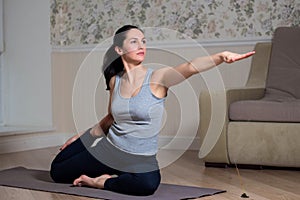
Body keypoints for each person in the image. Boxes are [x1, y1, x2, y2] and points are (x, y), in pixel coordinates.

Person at [50, 25, 255, 196]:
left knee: (147, 185)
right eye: (134, 41)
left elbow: (191, 66)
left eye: (144, 41)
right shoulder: (115, 81)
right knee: (57, 170)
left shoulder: (158, 78)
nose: (142, 46)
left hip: (140, 158)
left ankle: (101, 182)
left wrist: (221, 56)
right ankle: (112, 172)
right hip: (109, 151)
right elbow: (110, 118)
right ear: (119, 50)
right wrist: (79, 138)